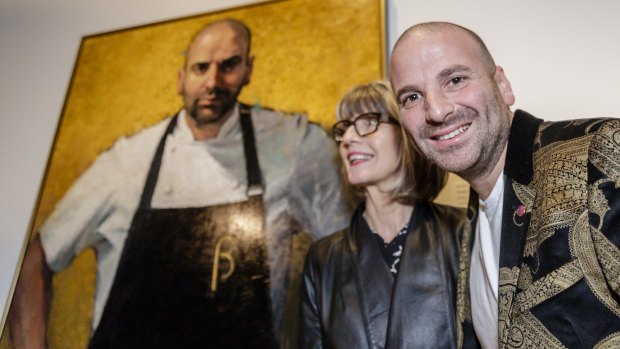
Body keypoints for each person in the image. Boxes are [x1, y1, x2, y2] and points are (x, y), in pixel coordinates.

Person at [8, 18, 348, 349]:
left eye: (228, 65)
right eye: (201, 68)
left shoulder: (295, 145)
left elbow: (347, 256)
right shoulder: (127, 162)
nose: (213, 81)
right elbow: (36, 258)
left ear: (248, 69)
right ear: (181, 79)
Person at [390, 21, 620, 349]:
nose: (436, 110)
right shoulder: (471, 218)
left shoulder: (600, 153)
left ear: (502, 84)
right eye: (412, 96)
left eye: (455, 80)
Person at [299, 80, 471, 349]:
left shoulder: (466, 233)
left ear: (406, 132)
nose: (348, 139)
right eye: (344, 129)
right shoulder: (323, 260)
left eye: (368, 123)